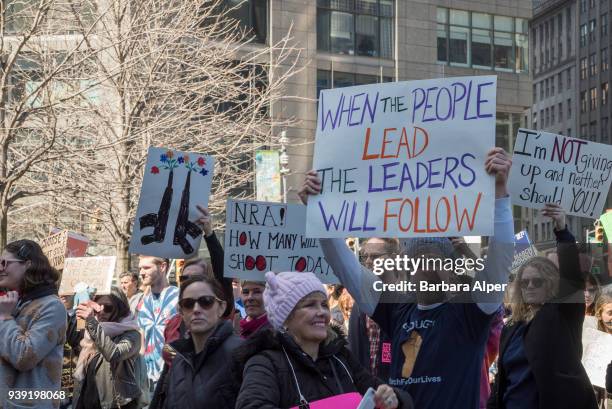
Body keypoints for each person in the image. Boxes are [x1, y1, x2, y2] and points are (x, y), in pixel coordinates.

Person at [299, 148, 514, 409]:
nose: (424, 265)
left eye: (434, 259)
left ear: (450, 269)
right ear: (407, 266)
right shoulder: (397, 310)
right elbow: (345, 267)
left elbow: (500, 260)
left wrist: (500, 195)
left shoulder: (471, 312)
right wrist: (320, 214)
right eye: (417, 257)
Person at [234, 271, 413, 409]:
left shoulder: (341, 358)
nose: (322, 312)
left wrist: (393, 397)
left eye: (324, 305)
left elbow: (386, 393)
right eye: (310, 305)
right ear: (286, 317)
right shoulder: (265, 364)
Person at [487, 203, 597, 409]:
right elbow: (502, 382)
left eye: (537, 281)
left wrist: (562, 231)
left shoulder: (563, 314)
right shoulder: (511, 327)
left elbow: (572, 277)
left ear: (550, 284)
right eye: (524, 282)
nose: (529, 286)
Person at [153, 276, 243, 408]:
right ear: (181, 312)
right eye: (188, 304)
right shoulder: (179, 359)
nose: (196, 309)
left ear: (221, 308)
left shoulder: (241, 353)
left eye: (206, 301)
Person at [0, 240, 66, 408]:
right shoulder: (13, 302)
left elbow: (24, 357)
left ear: (27, 264)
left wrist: (5, 318)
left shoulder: (52, 305)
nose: (0, 268)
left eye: (5, 263)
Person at [72, 287, 143, 409]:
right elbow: (71, 340)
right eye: (98, 307)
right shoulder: (91, 330)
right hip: (88, 399)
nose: (102, 311)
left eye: (108, 308)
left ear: (119, 309)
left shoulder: (131, 333)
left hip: (116, 403)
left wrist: (90, 321)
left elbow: (113, 354)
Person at [348, 238, 400, 380]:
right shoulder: (360, 302)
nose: (369, 261)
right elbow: (354, 349)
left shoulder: (407, 299)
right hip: (366, 391)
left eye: (375, 256)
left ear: (394, 259)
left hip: (397, 391)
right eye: (365, 256)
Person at [136, 254, 178, 388]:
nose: (141, 272)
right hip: (148, 380)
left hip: (172, 377)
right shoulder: (143, 303)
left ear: (163, 267)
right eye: (140, 268)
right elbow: (142, 344)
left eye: (147, 267)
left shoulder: (179, 298)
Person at [60, 294, 83, 409]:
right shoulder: (49, 313)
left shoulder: (82, 315)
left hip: (76, 377)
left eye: (67, 291)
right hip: (57, 381)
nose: (63, 295)